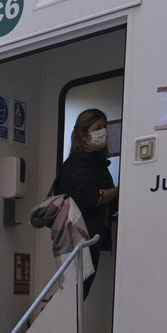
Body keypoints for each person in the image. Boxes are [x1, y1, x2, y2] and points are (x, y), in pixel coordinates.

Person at [54, 107, 118, 299]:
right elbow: (91, 198)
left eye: (104, 127)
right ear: (82, 135)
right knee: (74, 295)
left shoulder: (96, 162)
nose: (103, 132)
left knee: (78, 294)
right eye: (97, 128)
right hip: (78, 236)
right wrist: (119, 190)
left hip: (87, 236)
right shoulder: (79, 162)